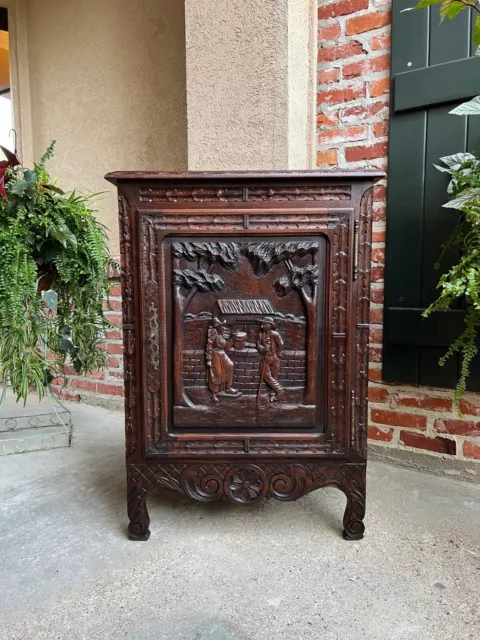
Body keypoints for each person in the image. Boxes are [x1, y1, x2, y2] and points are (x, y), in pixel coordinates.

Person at [205, 318, 239, 402]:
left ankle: (228, 387)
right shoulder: (214, 334)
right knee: (217, 372)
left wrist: (231, 339)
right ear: (218, 327)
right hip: (215, 354)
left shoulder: (223, 335)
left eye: (224, 326)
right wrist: (209, 359)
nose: (224, 328)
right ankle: (213, 393)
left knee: (230, 365)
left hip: (222, 353)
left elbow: (226, 347)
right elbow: (209, 346)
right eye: (222, 326)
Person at [256, 317, 284, 402]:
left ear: (270, 325)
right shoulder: (261, 335)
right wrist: (263, 348)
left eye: (265, 324)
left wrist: (278, 354)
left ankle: (273, 394)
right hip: (266, 357)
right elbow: (258, 345)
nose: (263, 326)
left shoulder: (275, 334)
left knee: (274, 376)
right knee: (265, 374)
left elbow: (281, 344)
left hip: (274, 357)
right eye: (263, 324)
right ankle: (279, 390)